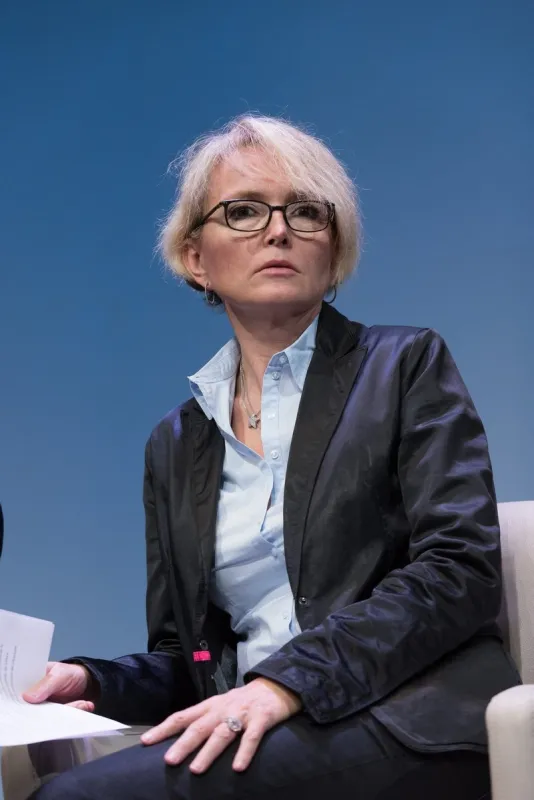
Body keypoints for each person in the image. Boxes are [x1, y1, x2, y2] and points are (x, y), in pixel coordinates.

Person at [25, 114, 520, 800]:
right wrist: (96, 679)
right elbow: (192, 657)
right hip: (265, 726)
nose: (278, 230)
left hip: (410, 719)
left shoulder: (405, 365)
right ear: (196, 256)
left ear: (333, 248)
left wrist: (289, 682)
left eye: (306, 213)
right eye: (244, 211)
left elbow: (458, 569)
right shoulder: (175, 444)